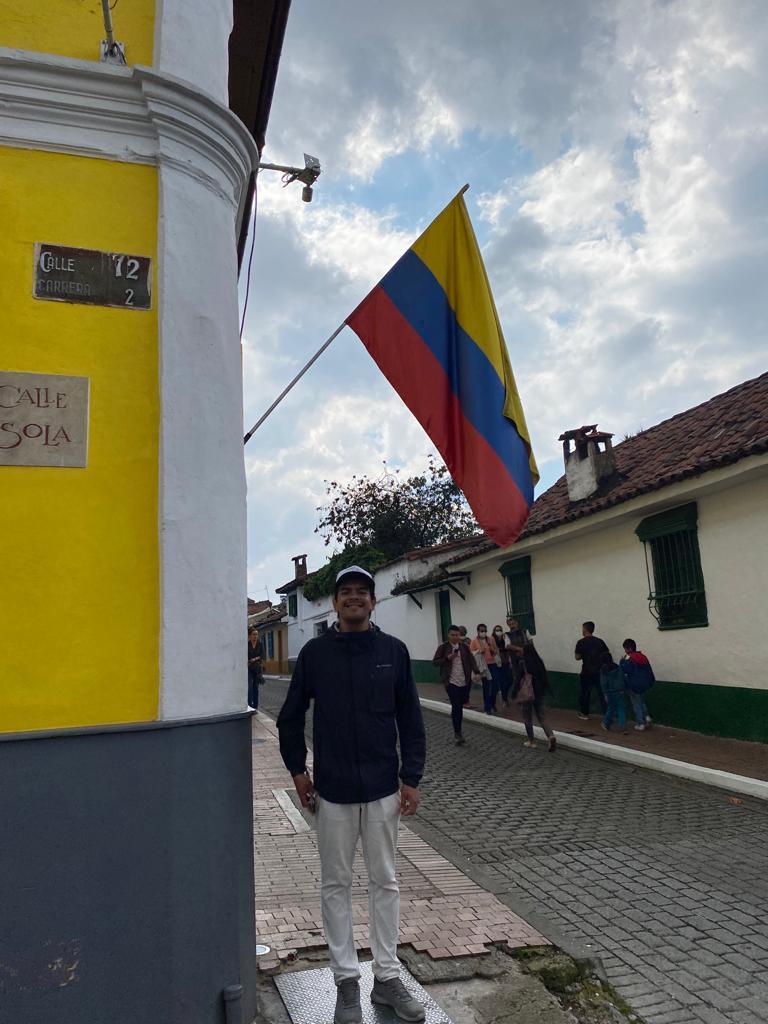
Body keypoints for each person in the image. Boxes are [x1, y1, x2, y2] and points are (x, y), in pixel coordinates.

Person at [277, 566, 427, 1024]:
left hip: (383, 789)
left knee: (386, 882)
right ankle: (346, 981)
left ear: (373, 602)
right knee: (335, 885)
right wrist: (298, 771)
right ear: (335, 603)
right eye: (347, 592)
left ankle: (386, 977)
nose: (355, 598)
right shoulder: (315, 654)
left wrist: (411, 777)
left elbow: (411, 719)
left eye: (363, 592)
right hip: (333, 792)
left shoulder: (393, 652)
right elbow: (290, 717)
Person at [433, 625, 478, 745]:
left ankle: (458, 729)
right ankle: (458, 733)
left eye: (457, 635)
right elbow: (435, 662)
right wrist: (447, 658)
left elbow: (471, 660)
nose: (455, 637)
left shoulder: (464, 647)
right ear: (448, 635)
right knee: (456, 706)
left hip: (465, 681)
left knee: (462, 703)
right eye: (452, 635)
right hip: (451, 682)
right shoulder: (443, 648)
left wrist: (477, 672)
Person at [516, 642, 556, 752]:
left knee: (527, 717)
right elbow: (544, 677)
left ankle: (531, 741)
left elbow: (518, 678)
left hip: (528, 694)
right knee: (542, 717)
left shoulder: (523, 663)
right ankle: (550, 736)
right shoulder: (539, 662)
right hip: (539, 693)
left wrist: (515, 692)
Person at [574, 621, 609, 719]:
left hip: (586, 672)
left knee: (585, 693)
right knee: (602, 694)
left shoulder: (581, 642)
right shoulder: (600, 642)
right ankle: (607, 714)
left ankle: (584, 713)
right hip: (599, 671)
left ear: (585, 630)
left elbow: (577, 657)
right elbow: (607, 654)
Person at [621, 638, 655, 731]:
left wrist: (622, 662)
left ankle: (640, 723)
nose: (625, 651)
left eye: (625, 649)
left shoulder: (629, 658)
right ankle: (647, 717)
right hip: (644, 684)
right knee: (641, 701)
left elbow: (626, 670)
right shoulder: (643, 656)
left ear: (629, 649)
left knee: (636, 704)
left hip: (633, 685)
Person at [470, 623, 499, 714]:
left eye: (485, 631)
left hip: (492, 663)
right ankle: (487, 707)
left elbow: (496, 650)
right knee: (486, 686)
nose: (484, 632)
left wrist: (492, 649)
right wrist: (479, 651)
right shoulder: (474, 641)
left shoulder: (491, 639)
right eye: (482, 631)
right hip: (483, 666)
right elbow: (472, 653)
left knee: (495, 685)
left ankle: (492, 702)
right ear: (478, 631)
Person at [599, 651, 626, 731]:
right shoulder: (617, 667)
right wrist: (622, 688)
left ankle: (605, 722)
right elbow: (621, 678)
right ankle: (622, 725)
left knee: (611, 708)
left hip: (610, 691)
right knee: (621, 708)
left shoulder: (603, 670)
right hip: (619, 690)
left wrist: (605, 693)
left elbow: (604, 683)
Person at [504, 615, 529, 699]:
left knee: (529, 677)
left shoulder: (525, 632)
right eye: (510, 624)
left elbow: (530, 643)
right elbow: (507, 645)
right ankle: (518, 697)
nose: (512, 625)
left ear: (517, 623)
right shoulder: (507, 635)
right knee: (517, 678)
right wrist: (519, 649)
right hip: (516, 660)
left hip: (527, 658)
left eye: (513, 623)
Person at [492, 625, 513, 705]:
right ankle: (504, 699)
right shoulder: (492, 639)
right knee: (502, 680)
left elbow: (508, 647)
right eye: (497, 630)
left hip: (506, 661)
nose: (499, 632)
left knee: (510, 679)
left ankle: (503, 692)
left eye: (500, 630)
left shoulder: (505, 637)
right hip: (498, 663)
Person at [247, 626, 263, 710]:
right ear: (249, 636)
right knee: (250, 687)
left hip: (257, 669)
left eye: (256, 634)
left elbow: (262, 655)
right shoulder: (247, 645)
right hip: (249, 668)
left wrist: (254, 659)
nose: (255, 636)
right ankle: (250, 705)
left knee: (255, 688)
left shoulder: (260, 644)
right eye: (253, 634)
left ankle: (255, 707)